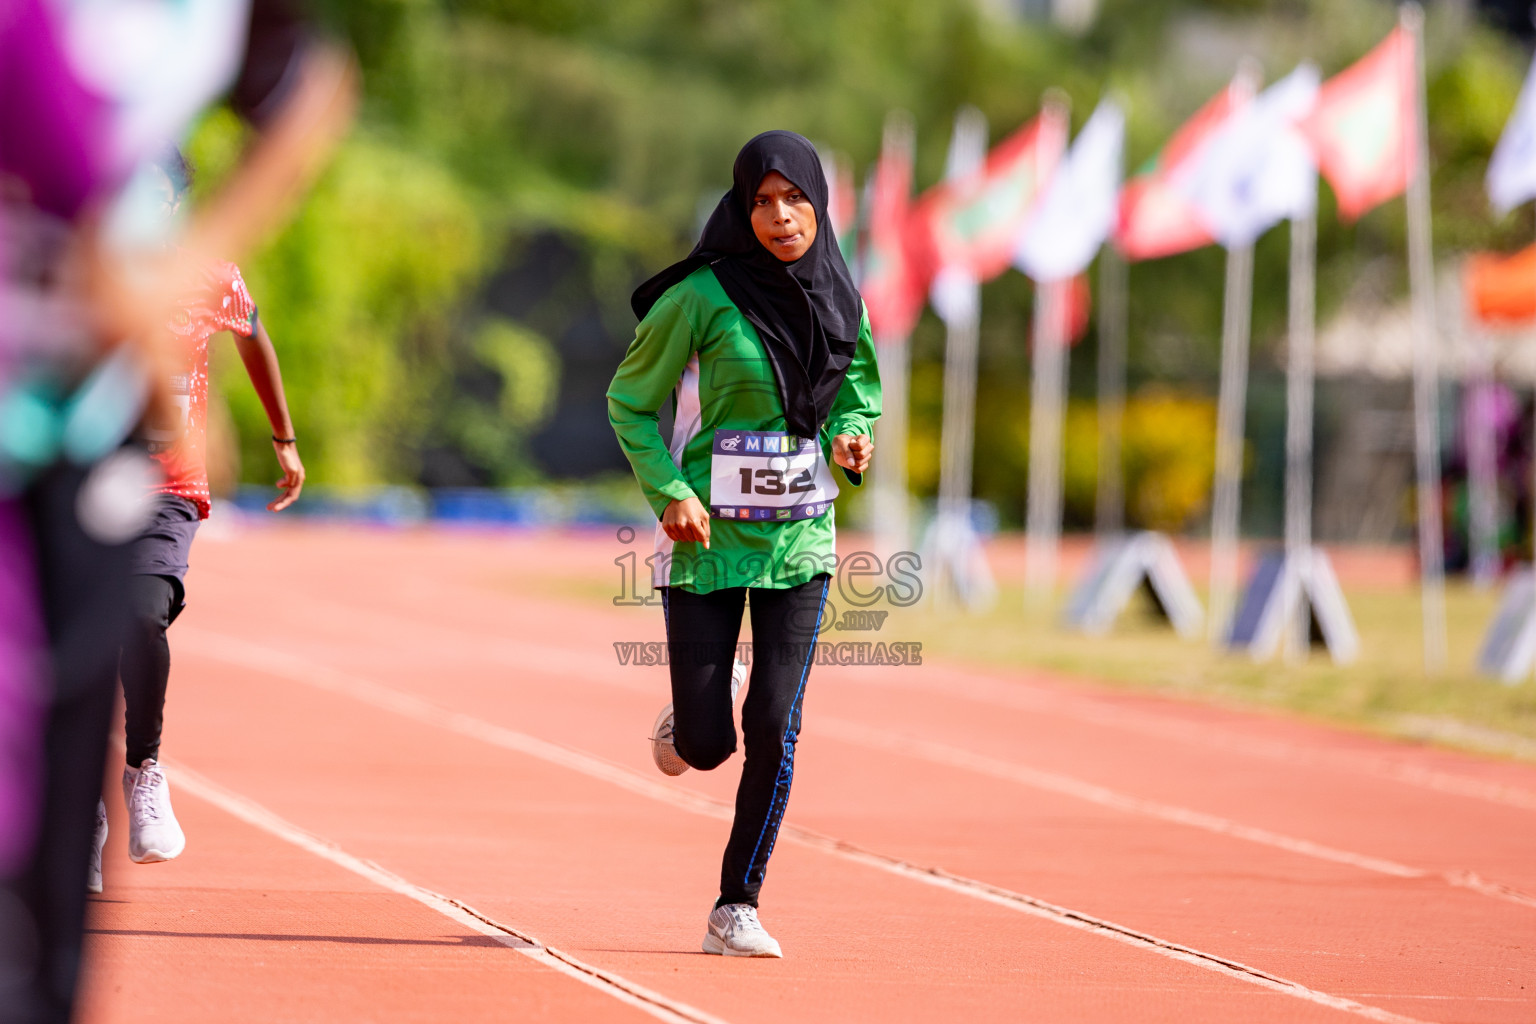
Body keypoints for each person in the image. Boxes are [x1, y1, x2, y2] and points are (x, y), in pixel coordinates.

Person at [608, 130, 880, 958]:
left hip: (800, 543)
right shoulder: (701, 297)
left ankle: (737, 905)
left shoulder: (841, 295)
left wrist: (852, 437)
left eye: (794, 198)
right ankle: (691, 714)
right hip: (705, 544)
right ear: (742, 208)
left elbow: (855, 396)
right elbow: (630, 402)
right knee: (707, 743)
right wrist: (672, 492)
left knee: (774, 723)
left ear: (818, 203)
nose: (780, 215)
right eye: (762, 202)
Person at [87, 149, 306, 891]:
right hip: (85, 482)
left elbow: (255, 339)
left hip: (170, 487)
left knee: (142, 616)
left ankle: (143, 770)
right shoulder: (88, 266)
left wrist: (284, 439)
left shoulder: (209, 276)